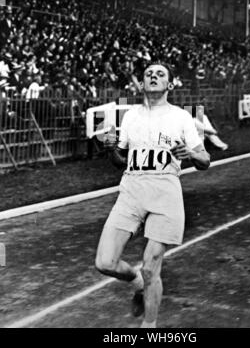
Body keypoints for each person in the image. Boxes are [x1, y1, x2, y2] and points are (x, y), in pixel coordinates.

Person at [95, 63, 210, 328]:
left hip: (165, 189)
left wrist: (191, 155)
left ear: (169, 85)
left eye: (160, 74)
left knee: (151, 267)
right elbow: (119, 160)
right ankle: (137, 285)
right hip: (132, 188)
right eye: (148, 74)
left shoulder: (182, 117)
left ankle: (150, 326)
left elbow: (205, 160)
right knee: (105, 262)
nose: (153, 76)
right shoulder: (131, 115)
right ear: (143, 84)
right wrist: (111, 147)